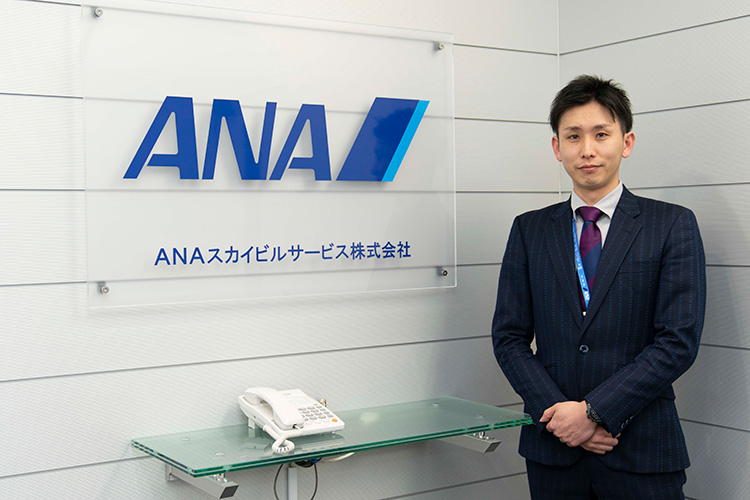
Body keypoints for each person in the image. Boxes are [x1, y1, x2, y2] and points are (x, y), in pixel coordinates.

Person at [491, 75, 706, 499]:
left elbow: (677, 341)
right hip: (554, 452)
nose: (587, 149)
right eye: (573, 136)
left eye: (601, 134)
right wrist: (561, 418)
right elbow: (509, 337)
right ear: (557, 147)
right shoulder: (530, 229)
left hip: (641, 448)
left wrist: (593, 413)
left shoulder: (671, 224)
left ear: (626, 142)